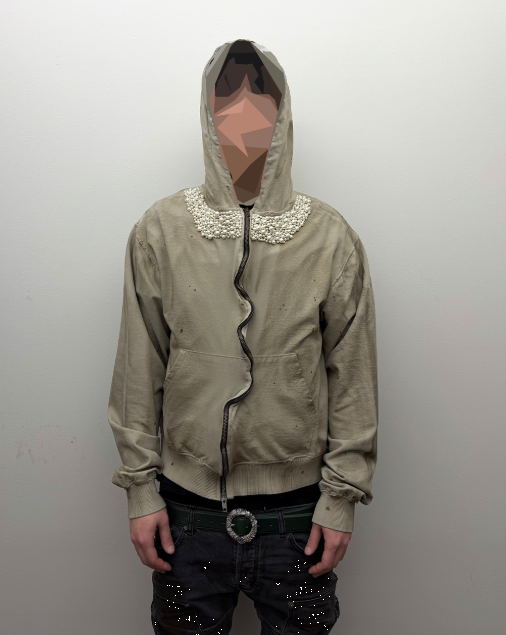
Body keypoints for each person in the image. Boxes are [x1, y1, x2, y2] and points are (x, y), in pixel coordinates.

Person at [107, 38, 378, 634]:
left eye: (261, 93)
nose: (245, 109)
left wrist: (341, 499)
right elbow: (138, 369)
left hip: (298, 516)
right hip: (185, 513)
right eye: (227, 92)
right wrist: (140, 491)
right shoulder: (160, 232)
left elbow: (354, 377)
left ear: (283, 113)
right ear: (207, 113)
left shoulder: (330, 237)